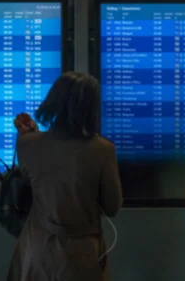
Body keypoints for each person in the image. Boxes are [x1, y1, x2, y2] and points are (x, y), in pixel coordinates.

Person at [7, 72, 123, 281]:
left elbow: (35, 186)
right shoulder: (103, 150)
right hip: (83, 256)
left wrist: (31, 134)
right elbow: (112, 206)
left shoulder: (26, 143)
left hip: (37, 252)